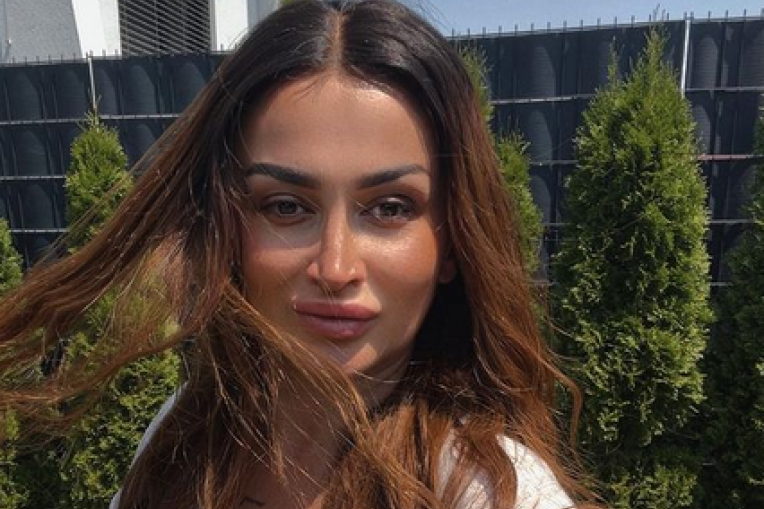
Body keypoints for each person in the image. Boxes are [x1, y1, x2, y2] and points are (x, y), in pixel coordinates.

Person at [0, 1, 603, 508]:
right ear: (228, 227)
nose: (335, 268)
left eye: (390, 208)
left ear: (451, 243)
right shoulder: (180, 437)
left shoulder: (493, 493)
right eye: (286, 206)